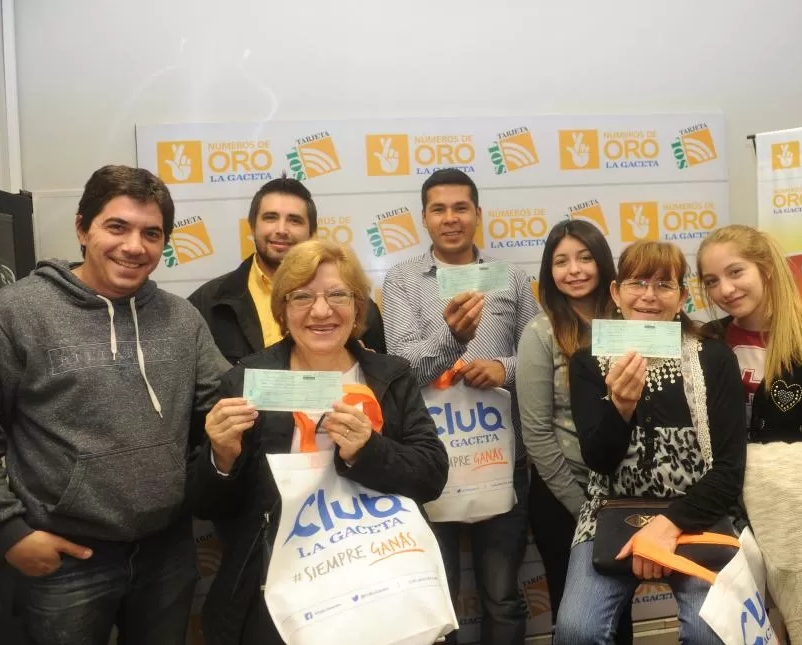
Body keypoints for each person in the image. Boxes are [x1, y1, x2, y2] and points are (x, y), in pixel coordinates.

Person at [0, 165, 228, 645]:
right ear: (82, 227)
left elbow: (227, 403)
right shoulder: (15, 313)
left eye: (151, 233)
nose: (134, 246)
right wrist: (7, 532)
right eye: (117, 227)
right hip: (65, 560)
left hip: (167, 553)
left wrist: (323, 373)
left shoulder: (182, 319)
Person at [187, 239, 448, 645]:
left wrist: (369, 449)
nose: (322, 311)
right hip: (280, 585)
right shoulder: (247, 381)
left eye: (338, 295)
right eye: (302, 296)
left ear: (358, 307)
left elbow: (431, 476)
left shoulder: (389, 375)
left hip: (382, 578)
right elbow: (208, 505)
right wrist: (221, 457)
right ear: (283, 310)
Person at [554, 240, 745, 645]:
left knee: (711, 632)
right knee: (576, 631)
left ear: (682, 297)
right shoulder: (589, 361)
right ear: (615, 293)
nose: (648, 296)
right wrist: (620, 408)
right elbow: (599, 461)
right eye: (637, 283)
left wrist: (668, 525)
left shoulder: (713, 358)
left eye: (663, 285)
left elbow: (730, 469)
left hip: (698, 512)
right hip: (611, 512)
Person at [382, 168, 539, 645]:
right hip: (432, 461)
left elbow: (537, 356)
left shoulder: (510, 277)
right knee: (439, 598)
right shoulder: (403, 280)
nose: (451, 219)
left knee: (502, 595)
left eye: (460, 208)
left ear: (477, 214)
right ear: (424, 219)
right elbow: (402, 370)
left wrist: (502, 369)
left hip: (501, 457)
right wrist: (452, 341)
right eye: (439, 209)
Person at [697, 224, 802, 642]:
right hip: (729, 517)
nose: (725, 289)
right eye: (712, 281)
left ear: (766, 270)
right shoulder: (707, 342)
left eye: (736, 272)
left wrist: (772, 477)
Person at [516, 219, 616, 623]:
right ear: (549, 273)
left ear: (603, 263)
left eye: (585, 258)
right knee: (576, 615)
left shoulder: (630, 324)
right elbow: (537, 434)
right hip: (564, 495)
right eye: (561, 262)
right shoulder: (541, 333)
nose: (574, 270)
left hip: (622, 493)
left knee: (618, 608)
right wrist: (583, 509)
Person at [189, 174, 386, 363]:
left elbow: (382, 385)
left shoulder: (357, 307)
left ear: (312, 232)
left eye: (294, 220)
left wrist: (365, 365)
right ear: (252, 226)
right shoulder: (206, 304)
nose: (281, 230)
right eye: (270, 217)